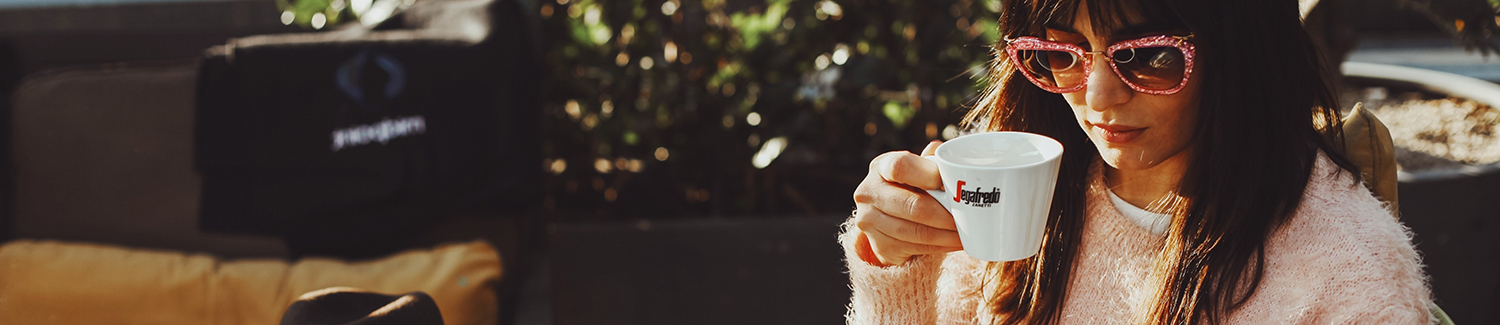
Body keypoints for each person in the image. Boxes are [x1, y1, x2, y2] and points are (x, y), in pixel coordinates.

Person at [841, 0, 1435, 323]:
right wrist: (901, 267)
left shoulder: (1347, 267)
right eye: (1061, 54)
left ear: (1243, 50)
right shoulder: (1012, 188)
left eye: (1149, 56)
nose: (1096, 97)